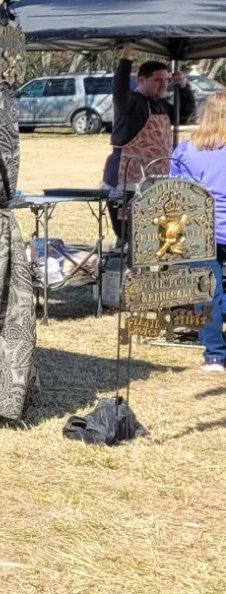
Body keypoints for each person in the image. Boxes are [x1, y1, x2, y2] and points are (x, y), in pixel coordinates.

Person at [171, 92, 226, 372]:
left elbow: (175, 192)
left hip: (200, 229)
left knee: (207, 292)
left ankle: (214, 354)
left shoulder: (186, 150)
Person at [107, 47, 195, 191]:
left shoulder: (162, 105)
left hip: (159, 180)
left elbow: (185, 116)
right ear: (141, 80)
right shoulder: (130, 103)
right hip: (128, 180)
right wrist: (126, 58)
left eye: (165, 80)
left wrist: (185, 87)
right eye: (157, 80)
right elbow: (119, 86)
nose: (163, 84)